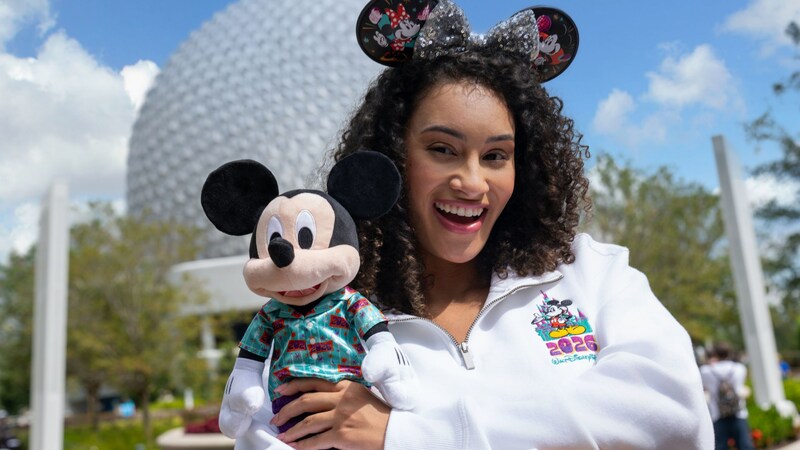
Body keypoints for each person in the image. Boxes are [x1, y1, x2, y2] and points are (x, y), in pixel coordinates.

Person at [232, 1, 714, 448]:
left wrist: (403, 434)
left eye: (495, 156)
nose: (472, 182)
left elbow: (673, 416)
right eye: (442, 149)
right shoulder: (317, 318)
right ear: (391, 158)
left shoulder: (593, 274)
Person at [700, 342, 756, 450]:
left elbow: (703, 387)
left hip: (717, 415)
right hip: (739, 413)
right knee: (745, 445)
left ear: (714, 354)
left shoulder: (705, 371)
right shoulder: (739, 368)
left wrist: (709, 362)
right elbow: (740, 388)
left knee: (720, 446)